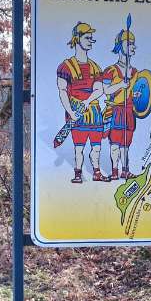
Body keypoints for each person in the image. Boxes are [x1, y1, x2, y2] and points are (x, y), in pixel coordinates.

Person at [56, 21, 109, 183]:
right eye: (87, 37)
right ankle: (78, 174)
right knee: (79, 147)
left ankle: (97, 172)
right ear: (77, 38)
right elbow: (62, 91)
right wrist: (71, 112)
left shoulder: (95, 67)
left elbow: (99, 90)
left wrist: (88, 101)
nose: (91, 41)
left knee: (96, 147)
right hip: (76, 114)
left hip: (94, 113)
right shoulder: (65, 66)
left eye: (92, 38)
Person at [101, 28, 140, 180]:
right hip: (116, 111)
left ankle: (125, 170)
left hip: (129, 111)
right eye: (129, 43)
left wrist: (134, 94)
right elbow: (106, 90)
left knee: (126, 144)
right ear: (120, 45)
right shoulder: (111, 70)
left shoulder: (135, 72)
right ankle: (115, 171)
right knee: (115, 143)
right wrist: (120, 86)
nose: (133, 46)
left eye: (133, 44)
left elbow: (134, 90)